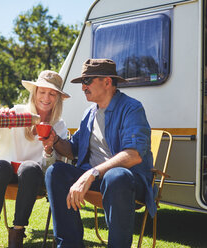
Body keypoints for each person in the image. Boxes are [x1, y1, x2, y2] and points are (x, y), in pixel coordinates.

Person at [42, 59, 155, 247]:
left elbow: (133, 155)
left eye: (87, 81)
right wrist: (55, 140)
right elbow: (73, 150)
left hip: (128, 181)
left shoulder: (132, 108)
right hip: (96, 180)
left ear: (107, 82)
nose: (83, 87)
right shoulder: (89, 113)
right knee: (56, 172)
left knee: (115, 176)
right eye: (82, 83)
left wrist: (92, 173)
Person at [0, 70, 70, 248]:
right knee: (0, 166)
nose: (46, 97)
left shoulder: (58, 125)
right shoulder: (17, 112)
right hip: (4, 174)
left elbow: (50, 168)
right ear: (34, 93)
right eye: (42, 92)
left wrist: (49, 150)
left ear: (58, 97)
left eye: (52, 93)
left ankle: (17, 235)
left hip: (33, 178)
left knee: (29, 167)